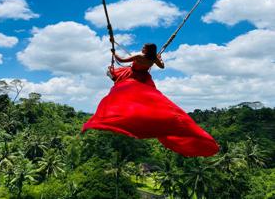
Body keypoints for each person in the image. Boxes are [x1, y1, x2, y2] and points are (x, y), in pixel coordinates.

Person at [82, 42, 219, 157]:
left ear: (146, 50)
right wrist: (159, 58)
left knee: (114, 76)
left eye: (143, 48)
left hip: (132, 75)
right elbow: (162, 66)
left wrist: (113, 52)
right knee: (144, 97)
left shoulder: (138, 56)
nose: (141, 49)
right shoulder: (153, 59)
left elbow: (121, 60)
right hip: (144, 79)